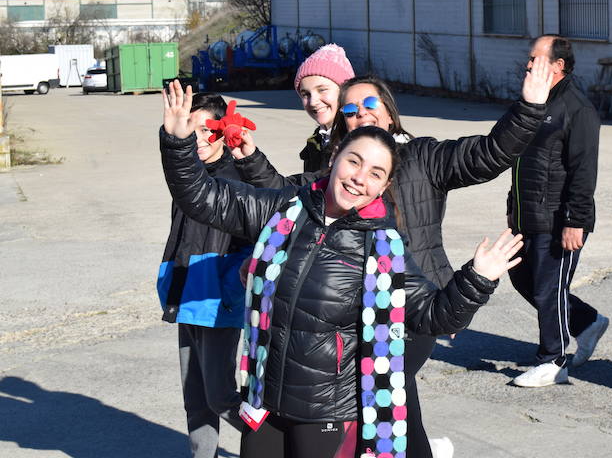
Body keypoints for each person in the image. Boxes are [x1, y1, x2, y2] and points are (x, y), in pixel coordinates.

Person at [160, 80, 525, 457]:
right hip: (263, 402)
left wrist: (477, 278)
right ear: (334, 160)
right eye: (354, 161)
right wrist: (176, 143)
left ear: (382, 186)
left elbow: (436, 316)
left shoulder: (382, 249)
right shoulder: (285, 209)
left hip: (328, 414)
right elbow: (203, 199)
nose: (359, 178)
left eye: (375, 173)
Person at [506, 35, 607, 388]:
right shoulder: (533, 102)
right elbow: (519, 159)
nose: (529, 64)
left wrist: (575, 221)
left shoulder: (577, 109)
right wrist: (512, 208)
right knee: (522, 279)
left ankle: (553, 360)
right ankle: (586, 322)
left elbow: (583, 170)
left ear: (558, 66)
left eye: (536, 59)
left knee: (550, 288)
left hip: (558, 217)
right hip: (527, 215)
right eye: (530, 58)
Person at [156, 92, 250, 458]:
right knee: (195, 398)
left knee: (221, 396)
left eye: (203, 130)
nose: (195, 139)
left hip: (217, 303)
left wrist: (227, 290)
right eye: (188, 131)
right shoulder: (187, 176)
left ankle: (281, 442)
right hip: (187, 297)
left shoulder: (236, 179)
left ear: (223, 130)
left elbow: (252, 245)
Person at [293, 43, 355, 172]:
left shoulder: (358, 143)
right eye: (305, 94)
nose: (313, 102)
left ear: (345, 91)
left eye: (322, 90)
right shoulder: (317, 142)